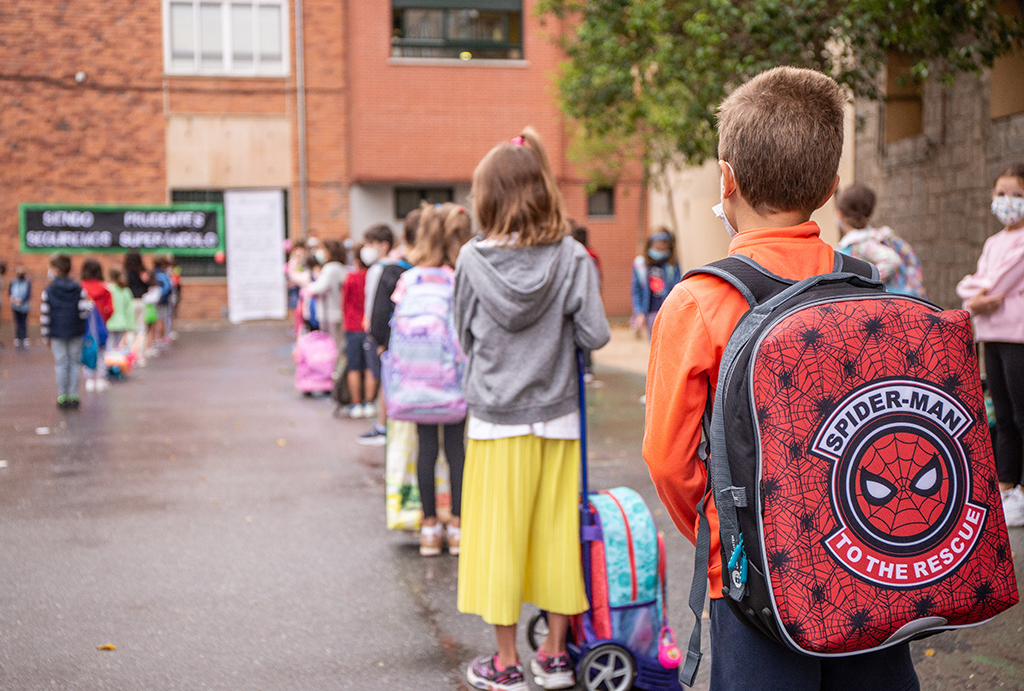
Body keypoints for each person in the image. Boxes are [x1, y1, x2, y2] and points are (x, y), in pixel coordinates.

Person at [643, 67, 920, 691]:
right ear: (829, 189)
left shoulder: (699, 302)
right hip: (871, 561)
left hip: (756, 582)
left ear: (727, 179)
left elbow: (667, 460)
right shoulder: (865, 286)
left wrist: (729, 540)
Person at [454, 127, 610, 691]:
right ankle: (554, 655)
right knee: (555, 534)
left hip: (495, 419)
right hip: (558, 417)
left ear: (488, 198)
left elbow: (463, 336)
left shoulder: (471, 260)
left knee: (497, 537)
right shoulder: (572, 256)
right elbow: (595, 334)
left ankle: (504, 662)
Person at [391, 202, 473, 556]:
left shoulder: (409, 279)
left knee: (426, 450)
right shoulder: (457, 279)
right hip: (451, 382)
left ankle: (428, 528)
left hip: (414, 383)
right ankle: (456, 527)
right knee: (456, 451)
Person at [957, 163, 1024, 528]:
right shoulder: (993, 242)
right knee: (1001, 413)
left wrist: (976, 294)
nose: (1007, 201)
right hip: (991, 335)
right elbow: (970, 285)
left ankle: (1021, 489)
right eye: (1000, 193)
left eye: (1016, 194)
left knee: (1021, 412)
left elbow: (996, 283)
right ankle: (1006, 486)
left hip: (1018, 337)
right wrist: (977, 296)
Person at [357, 221, 408, 446]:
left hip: (380, 333)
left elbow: (376, 305)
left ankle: (382, 426)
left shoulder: (381, 269)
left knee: (383, 380)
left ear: (383, 245)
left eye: (370, 243)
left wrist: (375, 334)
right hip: (390, 331)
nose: (366, 249)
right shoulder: (399, 267)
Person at [837, 184, 927, 298]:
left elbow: (892, 260)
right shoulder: (879, 237)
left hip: (883, 301)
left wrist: (865, 283)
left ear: (840, 213)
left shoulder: (859, 243)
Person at [41, 254, 89, 409]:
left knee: (61, 363)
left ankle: (62, 396)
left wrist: (45, 335)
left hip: (56, 332)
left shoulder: (48, 290)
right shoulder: (78, 288)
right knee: (74, 362)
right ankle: (74, 395)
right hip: (75, 330)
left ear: (55, 269)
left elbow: (45, 314)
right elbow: (83, 312)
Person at [341, 244, 374, 418]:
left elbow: (344, 301)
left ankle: (356, 404)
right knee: (370, 367)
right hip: (369, 327)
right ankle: (369, 402)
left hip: (352, 327)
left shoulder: (351, 278)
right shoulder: (373, 276)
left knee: (354, 366)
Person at [631, 228, 681, 339]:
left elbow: (678, 287)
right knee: (654, 340)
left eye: (664, 246)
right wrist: (639, 312)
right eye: (658, 246)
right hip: (650, 311)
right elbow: (636, 290)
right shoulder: (641, 265)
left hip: (669, 311)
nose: (661, 248)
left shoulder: (672, 264)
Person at [303, 239, 348, 349]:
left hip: (331, 313)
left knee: (332, 346)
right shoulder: (340, 267)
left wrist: (308, 286)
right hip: (337, 312)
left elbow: (319, 287)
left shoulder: (331, 268)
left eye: (323, 249)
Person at [79, 259, 113, 392]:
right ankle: (101, 378)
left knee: (87, 351)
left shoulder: (81, 288)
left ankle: (90, 379)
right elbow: (110, 309)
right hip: (101, 326)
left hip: (85, 327)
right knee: (102, 352)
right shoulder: (105, 288)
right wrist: (104, 319)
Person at [124, 250, 150, 364]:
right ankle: (140, 356)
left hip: (131, 302)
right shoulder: (142, 272)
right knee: (141, 329)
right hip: (141, 301)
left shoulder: (126, 273)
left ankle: (131, 355)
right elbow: (147, 286)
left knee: (131, 329)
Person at [106, 268, 135, 350]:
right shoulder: (125, 291)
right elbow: (129, 310)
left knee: (109, 348)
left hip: (109, 323)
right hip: (122, 323)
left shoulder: (107, 289)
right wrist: (131, 325)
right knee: (120, 349)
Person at [9, 266, 31, 348]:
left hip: (24, 306)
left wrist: (22, 301)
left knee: (23, 322)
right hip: (15, 305)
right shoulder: (13, 281)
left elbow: (28, 294)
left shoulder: (27, 282)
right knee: (17, 322)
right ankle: (18, 337)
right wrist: (13, 300)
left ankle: (24, 337)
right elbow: (10, 292)